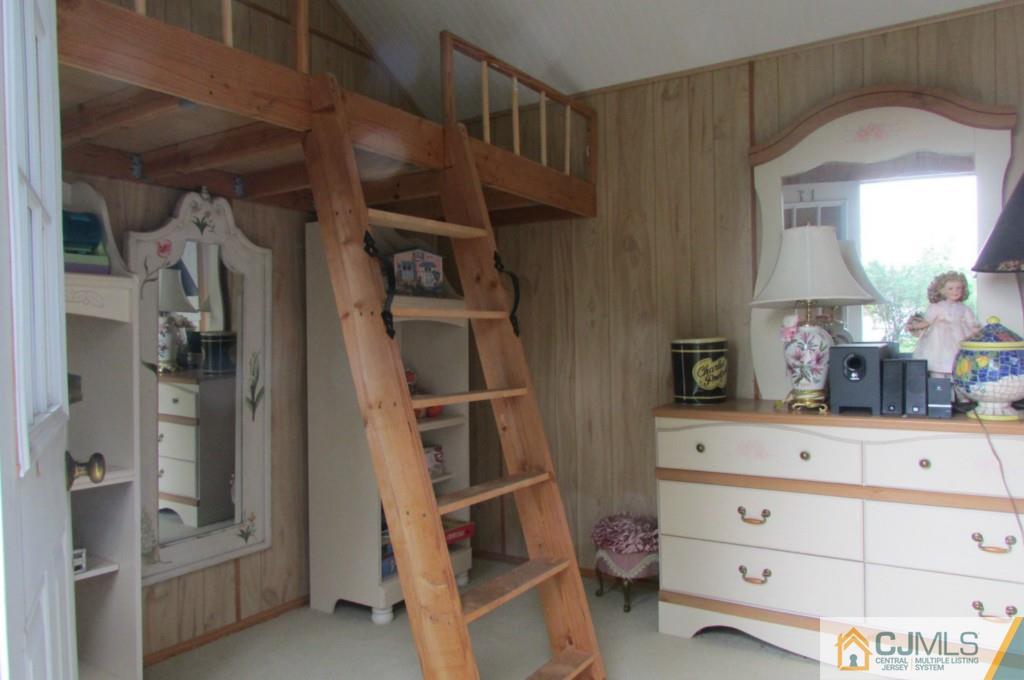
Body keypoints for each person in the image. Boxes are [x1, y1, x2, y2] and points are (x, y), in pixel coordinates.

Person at [906, 271, 980, 376]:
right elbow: (927, 322)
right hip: (938, 341)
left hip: (959, 339)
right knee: (938, 366)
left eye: (958, 288)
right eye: (950, 288)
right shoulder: (937, 307)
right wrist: (913, 326)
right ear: (942, 290)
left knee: (957, 365)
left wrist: (978, 333)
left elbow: (972, 324)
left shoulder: (964, 308)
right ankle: (938, 381)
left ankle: (953, 381)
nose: (955, 291)